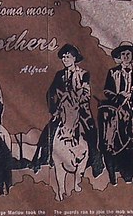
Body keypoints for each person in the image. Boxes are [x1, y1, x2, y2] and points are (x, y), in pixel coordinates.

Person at [32, 43, 103, 176]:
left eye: (68, 57)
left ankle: (96, 161)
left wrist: (76, 101)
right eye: (63, 57)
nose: (65, 59)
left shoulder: (83, 74)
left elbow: (86, 93)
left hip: (81, 110)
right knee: (49, 130)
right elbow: (50, 92)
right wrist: (54, 109)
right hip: (62, 110)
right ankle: (42, 158)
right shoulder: (59, 75)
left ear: (75, 59)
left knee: (91, 131)